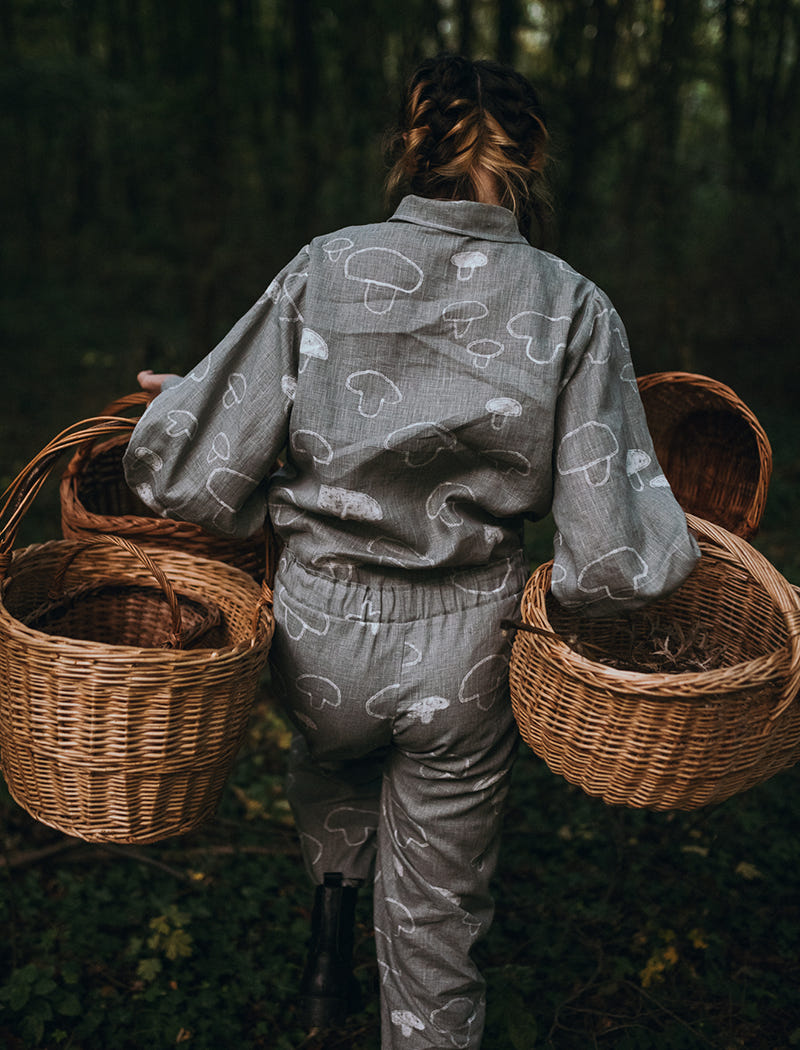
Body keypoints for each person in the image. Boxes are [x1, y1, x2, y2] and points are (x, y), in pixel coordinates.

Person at [124, 53, 700, 1050]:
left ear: (408, 146)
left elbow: (192, 476)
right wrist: (668, 556)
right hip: (466, 645)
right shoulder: (570, 304)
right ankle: (412, 996)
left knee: (334, 764)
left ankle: (332, 921)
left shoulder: (323, 267)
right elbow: (608, 551)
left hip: (317, 632)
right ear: (530, 160)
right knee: (439, 919)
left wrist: (198, 410)